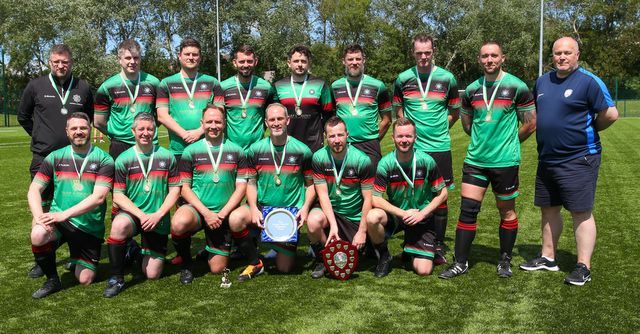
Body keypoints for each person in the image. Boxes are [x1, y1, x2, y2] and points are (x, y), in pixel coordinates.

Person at [520, 37, 618, 286]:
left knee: (580, 212)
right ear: (552, 56)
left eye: (567, 52)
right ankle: (548, 257)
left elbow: (611, 114)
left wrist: (589, 130)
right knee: (549, 209)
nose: (562, 57)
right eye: (557, 53)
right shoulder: (542, 81)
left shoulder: (589, 81)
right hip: (547, 158)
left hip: (579, 158)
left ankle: (583, 266)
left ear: (577, 55)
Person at [439, 41, 536, 279]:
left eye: (494, 55)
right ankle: (460, 262)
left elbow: (531, 123)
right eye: (485, 56)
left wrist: (510, 142)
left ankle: (504, 260)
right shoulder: (471, 89)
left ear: (503, 58)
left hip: (505, 162)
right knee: (468, 210)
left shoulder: (517, 86)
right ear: (479, 59)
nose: (489, 60)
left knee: (507, 212)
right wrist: (484, 142)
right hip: (476, 160)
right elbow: (467, 124)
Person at [18, 44, 94, 279]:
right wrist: (41, 137)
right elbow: (23, 116)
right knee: (42, 207)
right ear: (50, 63)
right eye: (56, 62)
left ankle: (76, 254)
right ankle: (42, 260)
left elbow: (88, 118)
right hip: (44, 158)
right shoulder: (36, 86)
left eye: (65, 62)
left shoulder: (82, 87)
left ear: (71, 63)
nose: (61, 65)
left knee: (74, 204)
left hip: (76, 158)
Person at [27, 112, 113, 298]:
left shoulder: (104, 159)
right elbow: (34, 190)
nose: (79, 132)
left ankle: (79, 256)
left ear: (90, 129)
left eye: (83, 127)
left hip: (88, 226)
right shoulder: (55, 157)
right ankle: (52, 280)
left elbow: (98, 198)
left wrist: (64, 214)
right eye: (74, 128)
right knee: (38, 233)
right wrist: (38, 218)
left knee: (85, 279)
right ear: (67, 132)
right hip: (60, 221)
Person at [392, 33, 461, 262]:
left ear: (434, 52)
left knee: (441, 197)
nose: (423, 57)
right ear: (413, 53)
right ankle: (410, 241)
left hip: (439, 146)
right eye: (419, 53)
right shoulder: (402, 79)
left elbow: (454, 111)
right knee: (411, 194)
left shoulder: (447, 79)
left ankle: (438, 244)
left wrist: (439, 128)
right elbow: (399, 110)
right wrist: (409, 132)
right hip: (413, 149)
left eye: (427, 52)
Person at [228, 103, 315, 279]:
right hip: (262, 208)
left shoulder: (302, 151)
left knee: (284, 268)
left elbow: (310, 185)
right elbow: (251, 183)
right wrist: (252, 207)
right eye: (272, 119)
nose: (276, 123)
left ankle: (277, 244)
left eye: (280, 119)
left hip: (289, 213)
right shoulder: (255, 150)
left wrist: (304, 208)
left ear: (288, 120)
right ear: (266, 123)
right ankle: (255, 261)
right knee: (235, 219)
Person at [103, 113, 181, 297]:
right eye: (141, 129)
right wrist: (141, 215)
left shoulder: (167, 157)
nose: (145, 133)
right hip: (134, 215)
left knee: (152, 274)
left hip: (157, 217)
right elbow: (119, 196)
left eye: (150, 129)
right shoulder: (123, 159)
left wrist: (158, 214)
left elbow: (175, 190)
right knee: (119, 224)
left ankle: (133, 251)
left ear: (155, 131)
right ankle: (117, 278)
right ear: (133, 131)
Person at [170, 105, 248, 284]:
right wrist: (206, 213)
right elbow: (185, 189)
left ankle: (209, 247)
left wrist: (221, 214)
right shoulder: (190, 151)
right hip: (198, 210)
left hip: (222, 214)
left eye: (218, 122)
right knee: (179, 222)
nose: (213, 126)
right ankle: (187, 265)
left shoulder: (237, 151)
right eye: (209, 122)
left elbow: (241, 188)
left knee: (217, 269)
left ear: (224, 123)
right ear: (202, 124)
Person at [366, 118, 448, 277]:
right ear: (393, 138)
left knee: (423, 271)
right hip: (398, 215)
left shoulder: (426, 161)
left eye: (408, 136)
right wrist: (402, 213)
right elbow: (375, 198)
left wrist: (422, 213)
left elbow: (443, 193)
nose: (404, 140)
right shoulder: (386, 163)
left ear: (415, 138)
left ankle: (410, 248)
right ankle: (384, 256)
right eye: (400, 136)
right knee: (372, 217)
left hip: (420, 216)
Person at [307, 116, 374, 278]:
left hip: (353, 215)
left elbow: (368, 199)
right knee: (313, 221)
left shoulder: (362, 160)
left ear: (347, 135)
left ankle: (372, 246)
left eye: (340, 135)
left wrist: (362, 231)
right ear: (325, 137)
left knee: (355, 257)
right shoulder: (318, 157)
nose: (336, 140)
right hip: (331, 212)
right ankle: (322, 259)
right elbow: (322, 194)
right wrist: (333, 225)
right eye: (331, 136)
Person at [157, 38, 224, 160]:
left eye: (195, 54)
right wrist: (184, 134)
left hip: (207, 147)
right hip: (178, 149)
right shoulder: (166, 83)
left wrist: (199, 132)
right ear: (179, 56)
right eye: (187, 54)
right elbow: (162, 116)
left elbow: (220, 113)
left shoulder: (213, 82)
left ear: (200, 57)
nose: (191, 57)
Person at [94, 39, 160, 159]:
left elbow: (161, 115)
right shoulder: (107, 86)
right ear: (119, 60)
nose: (132, 62)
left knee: (149, 177)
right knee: (120, 178)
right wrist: (116, 134)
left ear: (140, 59)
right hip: (119, 144)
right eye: (128, 58)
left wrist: (148, 128)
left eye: (136, 58)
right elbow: (98, 122)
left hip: (148, 142)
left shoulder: (154, 83)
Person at [330, 44, 392, 165]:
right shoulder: (335, 87)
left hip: (370, 147)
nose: (354, 62)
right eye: (350, 59)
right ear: (344, 61)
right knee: (345, 183)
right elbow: (331, 119)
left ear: (364, 60)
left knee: (371, 183)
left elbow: (387, 120)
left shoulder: (378, 86)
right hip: (343, 144)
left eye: (358, 59)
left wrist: (373, 139)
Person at [273, 44, 334, 152]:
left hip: (313, 145)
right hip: (286, 144)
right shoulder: (278, 86)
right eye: (296, 61)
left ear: (309, 63)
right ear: (289, 63)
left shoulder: (320, 84)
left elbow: (328, 114)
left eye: (303, 61)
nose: (300, 64)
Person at [220, 44, 275, 150]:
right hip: (231, 149)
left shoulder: (266, 87)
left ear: (256, 61)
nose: (246, 65)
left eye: (249, 61)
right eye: (241, 61)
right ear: (234, 62)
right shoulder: (223, 87)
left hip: (257, 149)